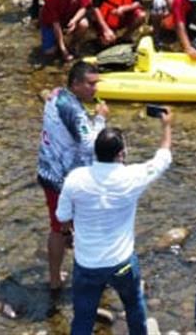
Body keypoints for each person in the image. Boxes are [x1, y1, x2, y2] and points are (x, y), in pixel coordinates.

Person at [56, 109, 174, 335]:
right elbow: (163, 158)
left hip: (87, 263)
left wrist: (67, 235)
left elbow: (62, 217)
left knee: (83, 316)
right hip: (122, 262)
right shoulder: (133, 176)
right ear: (121, 154)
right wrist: (166, 125)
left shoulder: (76, 179)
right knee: (134, 305)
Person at [38, 61, 107, 299]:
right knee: (88, 225)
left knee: (59, 227)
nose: (94, 89)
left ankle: (55, 279)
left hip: (48, 171)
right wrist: (99, 120)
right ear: (75, 84)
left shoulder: (56, 94)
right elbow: (89, 144)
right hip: (67, 179)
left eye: (96, 83)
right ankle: (93, 276)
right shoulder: (75, 111)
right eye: (90, 84)